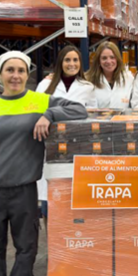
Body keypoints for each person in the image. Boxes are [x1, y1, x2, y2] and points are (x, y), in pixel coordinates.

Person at [0, 51, 88, 276]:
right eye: (10, 70)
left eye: (21, 71)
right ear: (0, 74)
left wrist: (48, 115)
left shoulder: (39, 101)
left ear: (27, 74)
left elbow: (78, 110)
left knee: (27, 248)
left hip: (24, 191)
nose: (15, 76)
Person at [36, 45, 95, 220]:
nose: (72, 64)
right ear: (60, 62)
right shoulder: (45, 84)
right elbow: (36, 113)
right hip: (52, 147)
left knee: (76, 197)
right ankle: (53, 238)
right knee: (51, 197)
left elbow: (91, 117)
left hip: (79, 147)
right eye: (67, 60)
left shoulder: (87, 87)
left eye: (75, 60)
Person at [85, 41, 134, 108]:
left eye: (112, 57)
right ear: (98, 61)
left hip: (122, 118)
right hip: (97, 118)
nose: (108, 61)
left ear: (117, 59)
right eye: (104, 58)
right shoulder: (88, 80)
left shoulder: (128, 78)